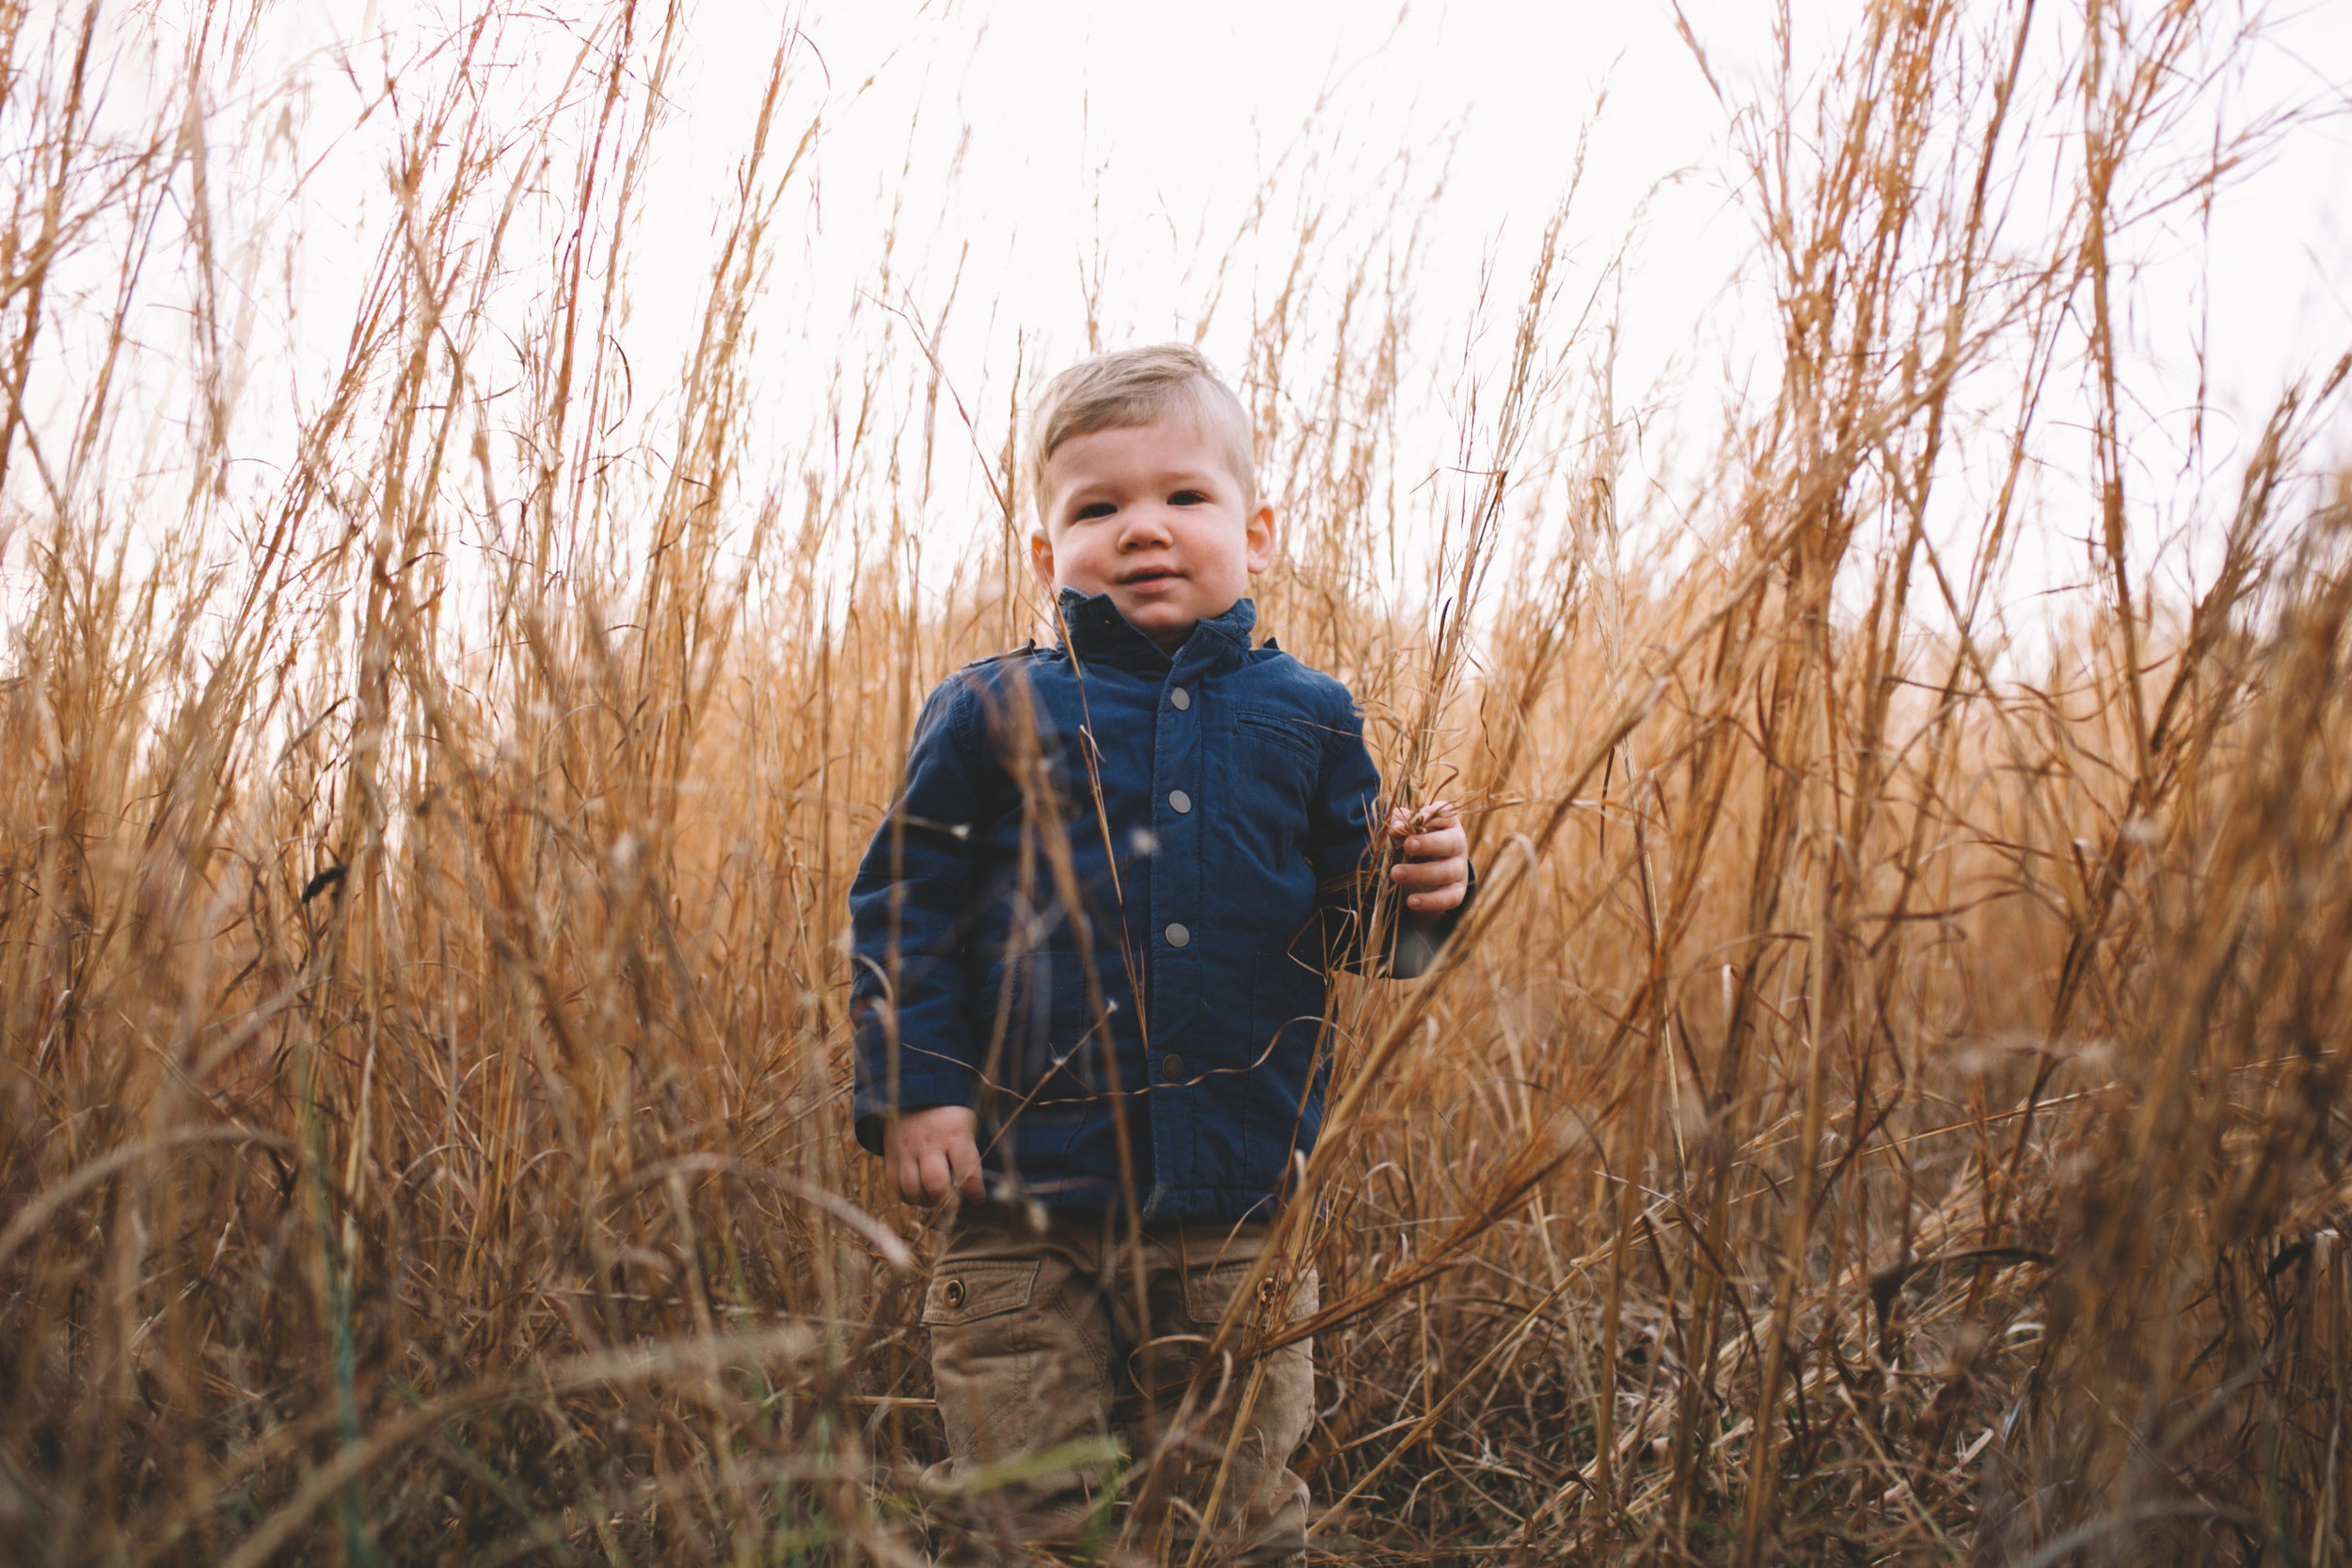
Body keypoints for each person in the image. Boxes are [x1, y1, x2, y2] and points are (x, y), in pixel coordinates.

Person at [849, 343, 1470, 1563]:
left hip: (1235, 1200)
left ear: (1258, 530)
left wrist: (1423, 898)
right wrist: (916, 1091)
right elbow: (905, 909)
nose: (1144, 529)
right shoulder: (989, 712)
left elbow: (1355, 935)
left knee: (1233, 1508)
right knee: (1026, 1510)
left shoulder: (1311, 717)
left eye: (1184, 497)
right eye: (1098, 506)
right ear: (1045, 554)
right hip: (1018, 1208)